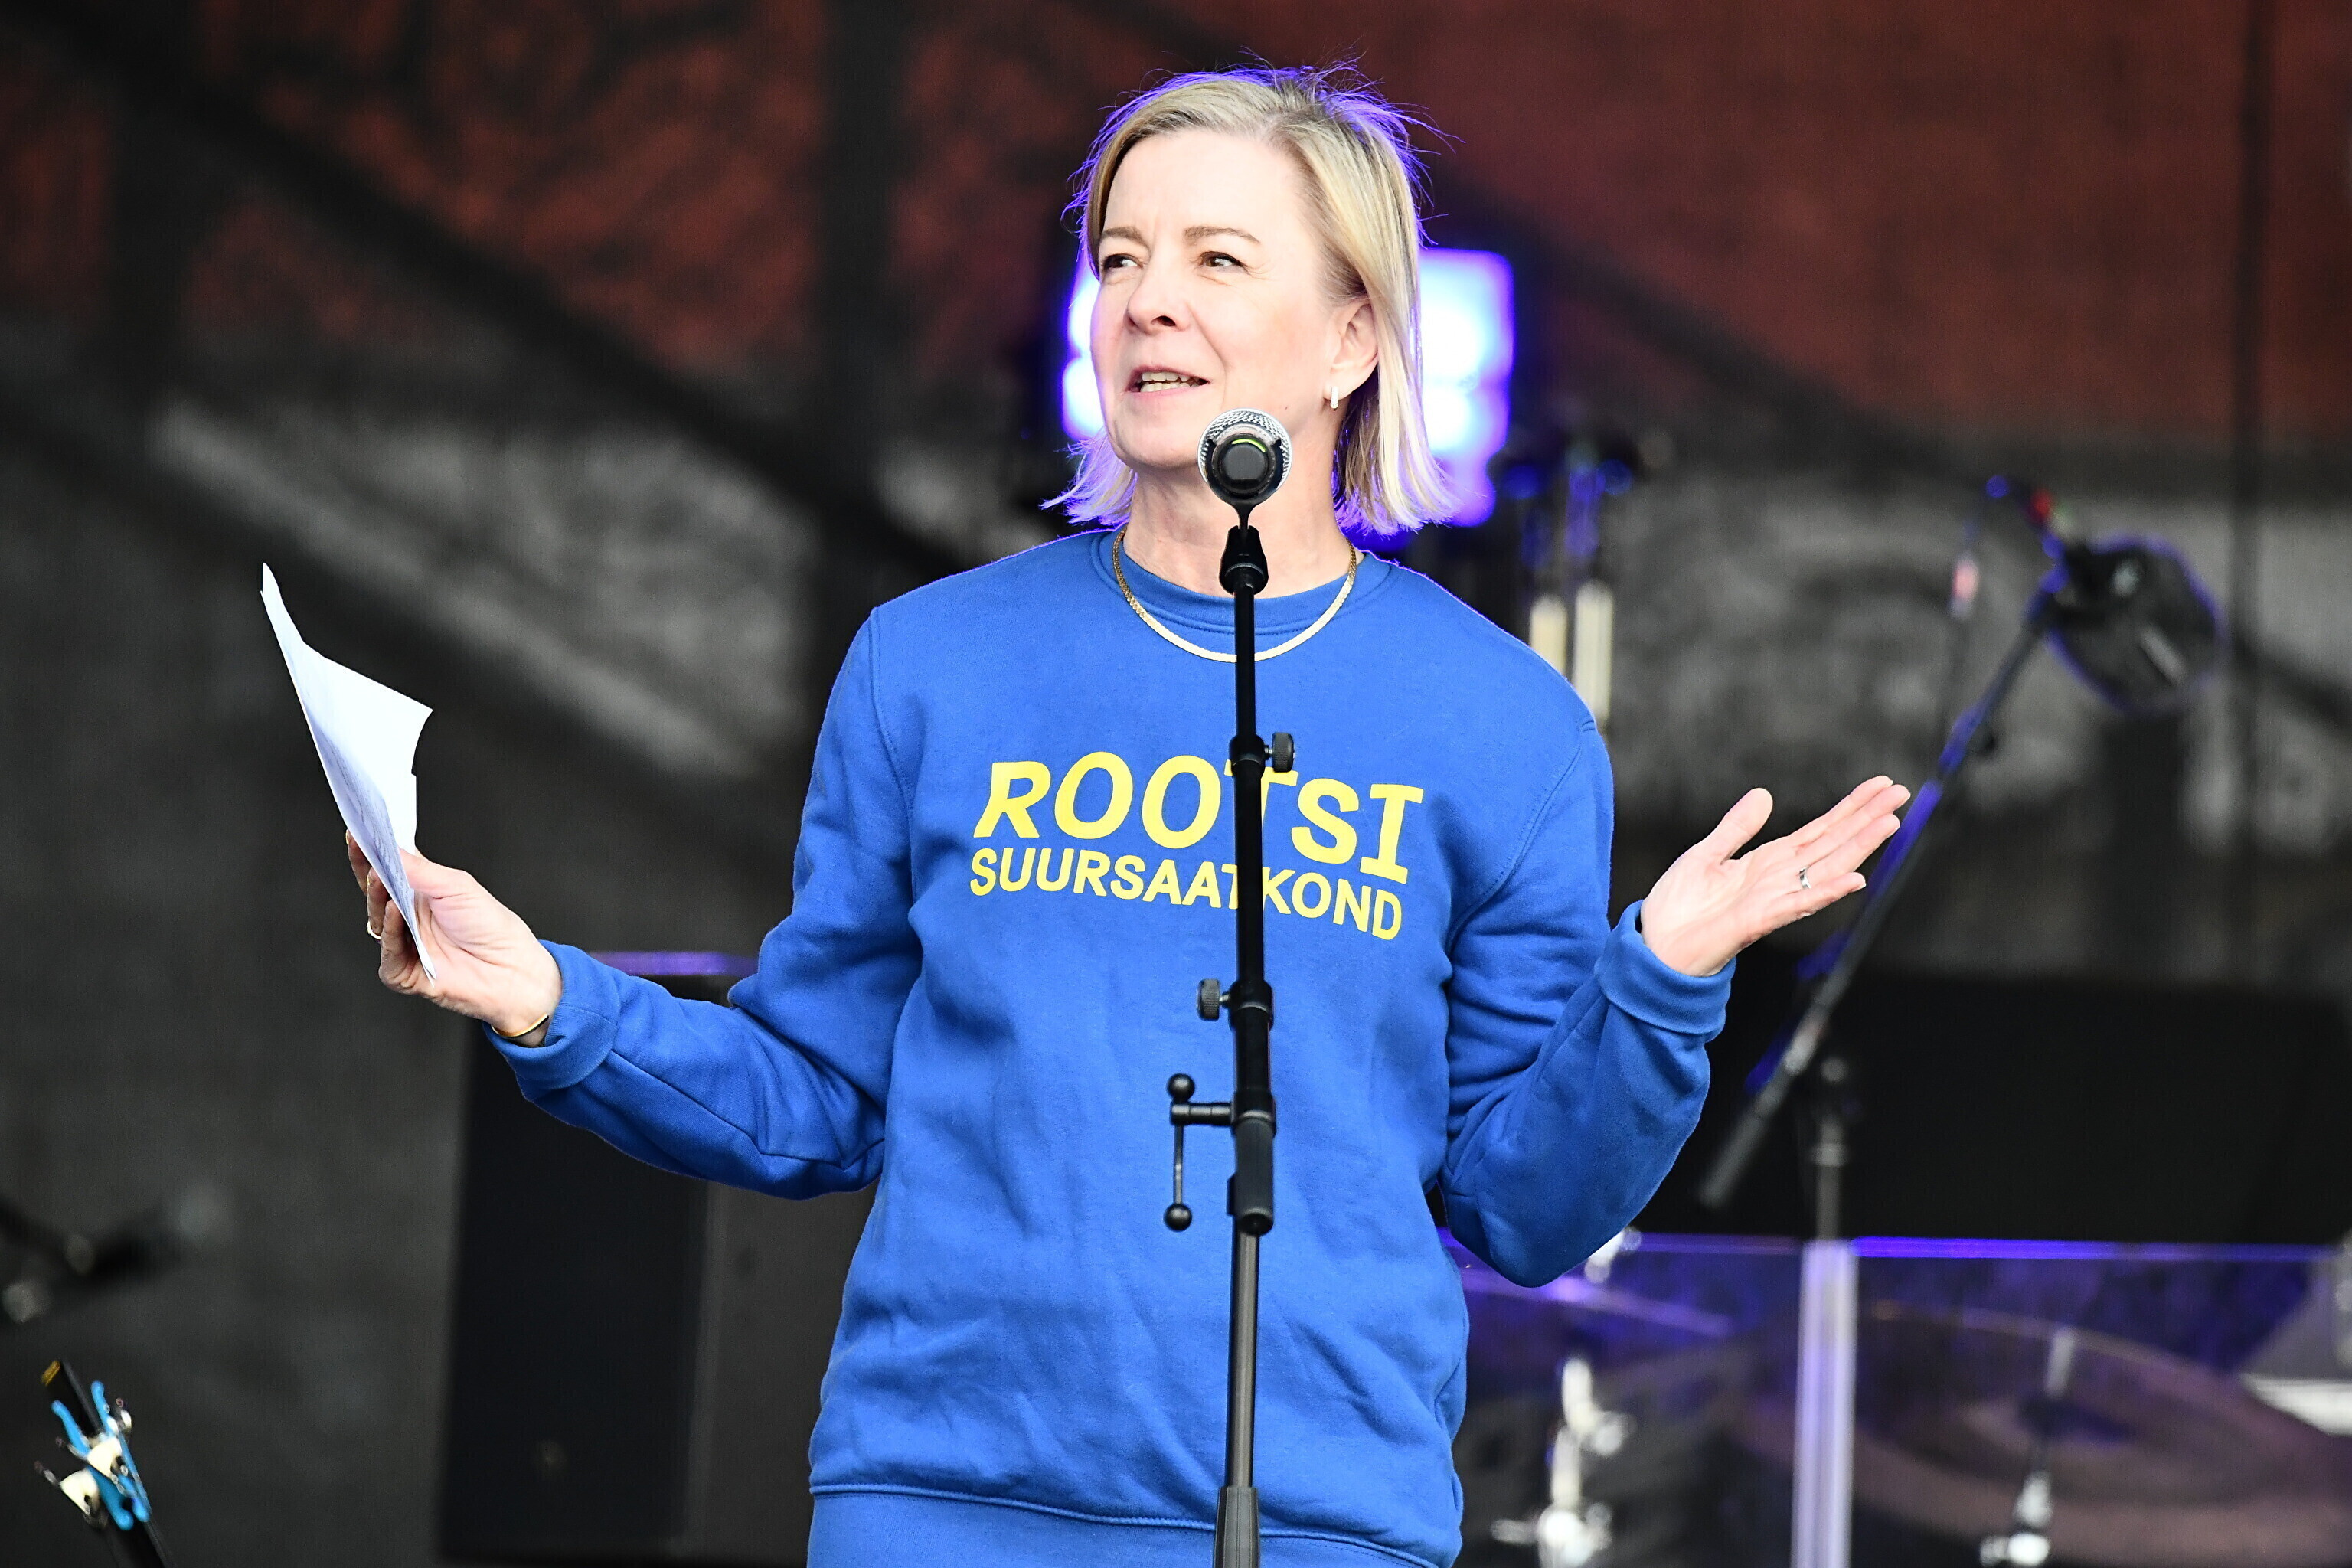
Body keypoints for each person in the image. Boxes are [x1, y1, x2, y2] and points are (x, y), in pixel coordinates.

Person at [351, 66, 1907, 1568]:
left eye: (1217, 259)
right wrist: (551, 1000)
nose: (1147, 300)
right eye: (1119, 259)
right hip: (941, 1504)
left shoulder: (1505, 727)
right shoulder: (930, 665)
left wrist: (1659, 987)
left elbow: (1525, 1207)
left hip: (1320, 1524)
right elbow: (818, 1092)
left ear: (1352, 336)